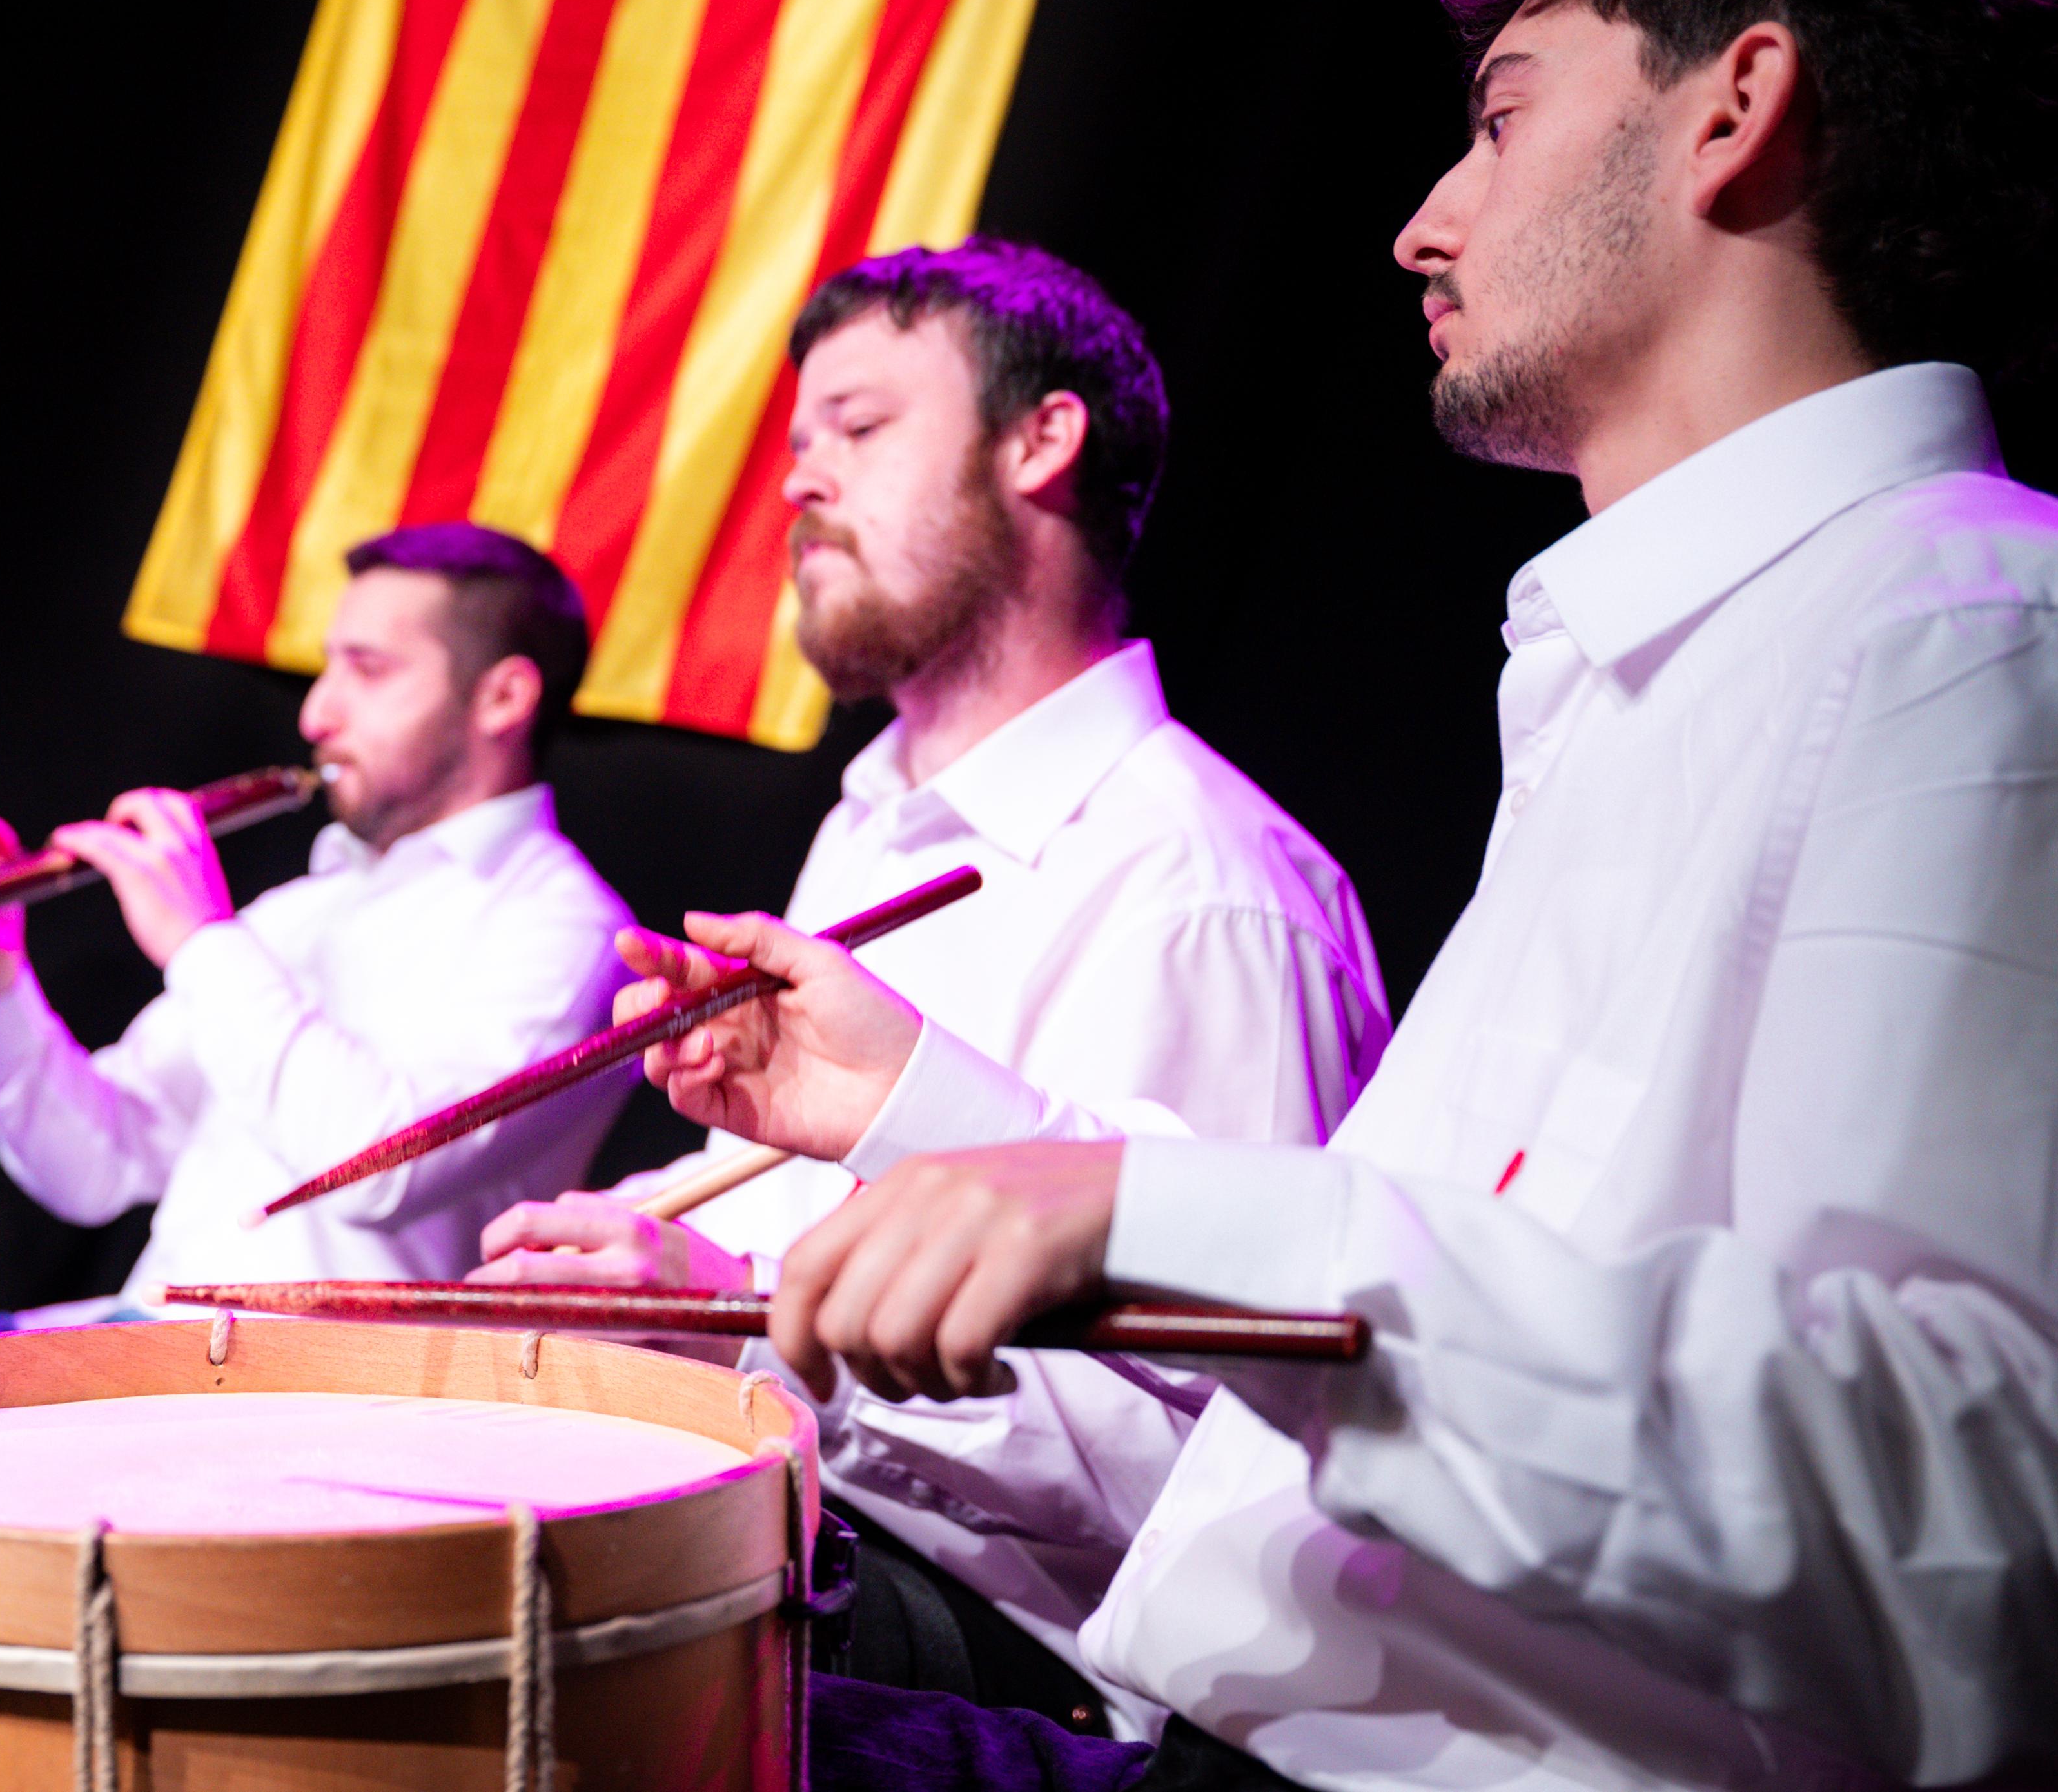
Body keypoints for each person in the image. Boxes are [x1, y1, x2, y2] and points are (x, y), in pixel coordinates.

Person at [644, 0, 2058, 1791]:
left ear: (1737, 110)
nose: (1424, 219)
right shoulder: (1657, 669)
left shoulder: (1981, 637)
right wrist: (928, 1118)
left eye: (1500, 119)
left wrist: (1164, 1222)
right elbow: (1440, 1302)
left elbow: (1978, 1516)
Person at [473, 240, 1390, 1735]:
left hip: (1035, 1668)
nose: (797, 481)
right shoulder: (869, 821)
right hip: (805, 1536)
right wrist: (642, 1261)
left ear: (1042, 440)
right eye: (794, 443)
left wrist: (747, 1324)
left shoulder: (1206, 885)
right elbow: (764, 1254)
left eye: (860, 425)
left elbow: (1231, 1464)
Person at [0, 521, 637, 1792]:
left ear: (502, 694)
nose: (317, 706)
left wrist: (195, 933)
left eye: (366, 667)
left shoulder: (566, 927)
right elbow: (97, 1160)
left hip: (317, 1402)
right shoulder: (304, 906)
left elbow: (387, 1163)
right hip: (138, 1346)